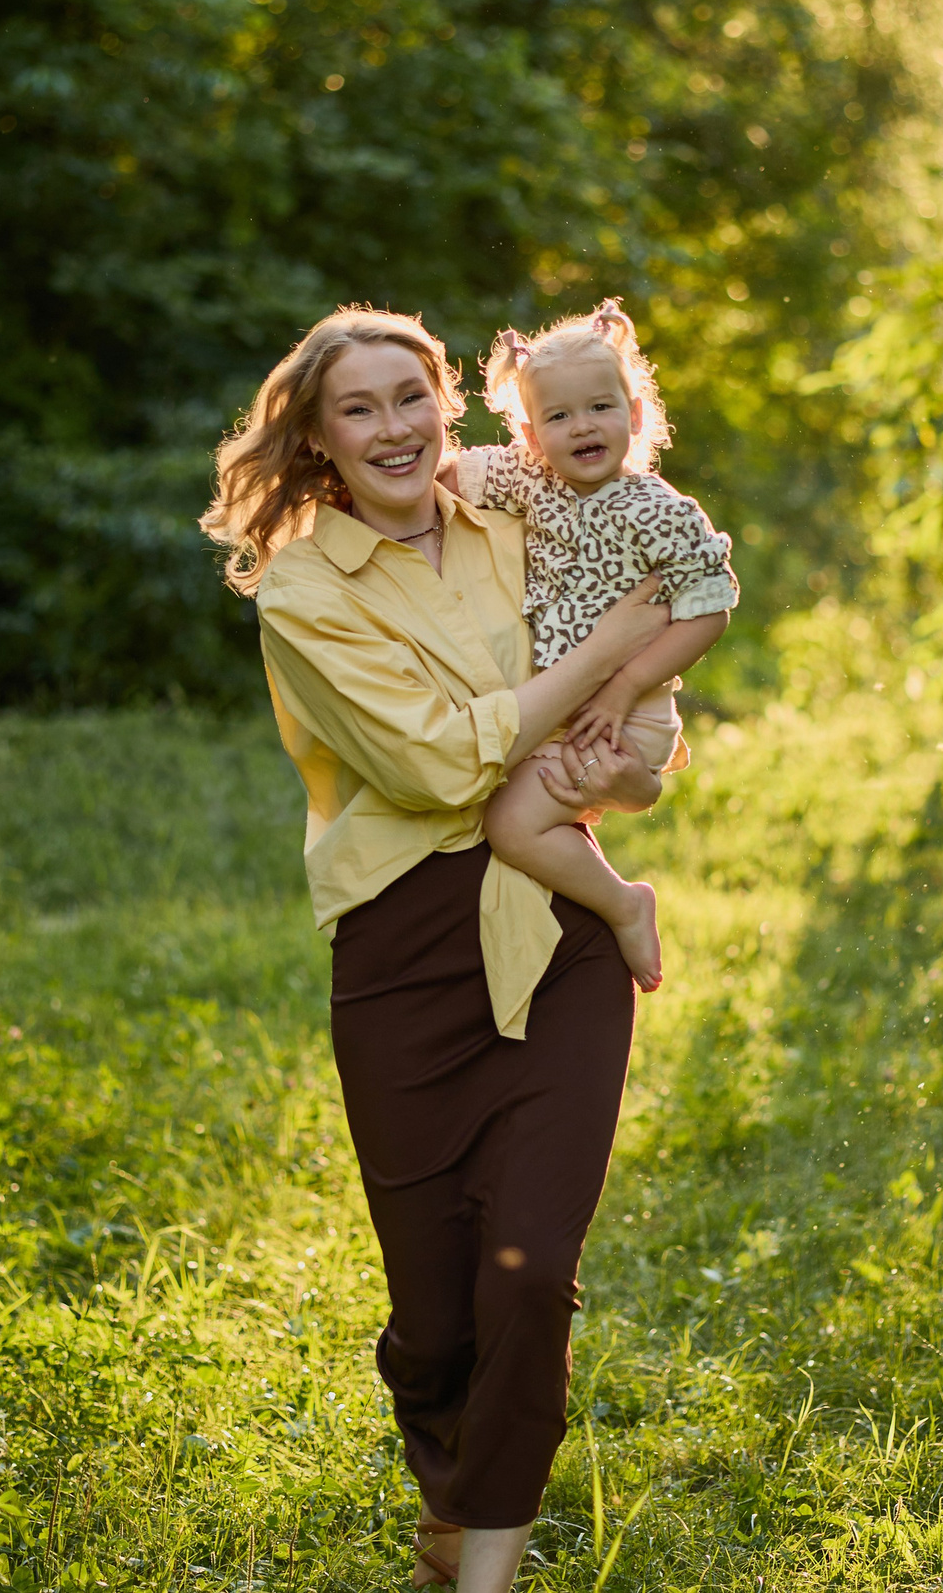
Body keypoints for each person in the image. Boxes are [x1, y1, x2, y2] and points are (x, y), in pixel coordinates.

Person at [200, 306, 672, 1592]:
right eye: (359, 408)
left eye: (411, 396)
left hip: (556, 926)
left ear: (447, 404)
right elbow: (425, 763)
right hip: (403, 954)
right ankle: (451, 1498)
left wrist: (622, 750)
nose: (395, 427)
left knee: (531, 1271)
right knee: (435, 1313)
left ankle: (484, 1568)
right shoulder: (303, 588)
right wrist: (602, 657)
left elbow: (641, 697)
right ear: (318, 436)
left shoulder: (522, 514)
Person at [457, 299, 738, 993]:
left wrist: (623, 687)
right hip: (557, 707)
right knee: (477, 788)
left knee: (511, 826)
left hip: (626, 712)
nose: (582, 425)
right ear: (531, 435)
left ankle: (623, 903)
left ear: (635, 415)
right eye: (558, 416)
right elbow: (448, 473)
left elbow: (708, 611)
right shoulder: (533, 482)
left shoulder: (660, 510)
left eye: (600, 407)